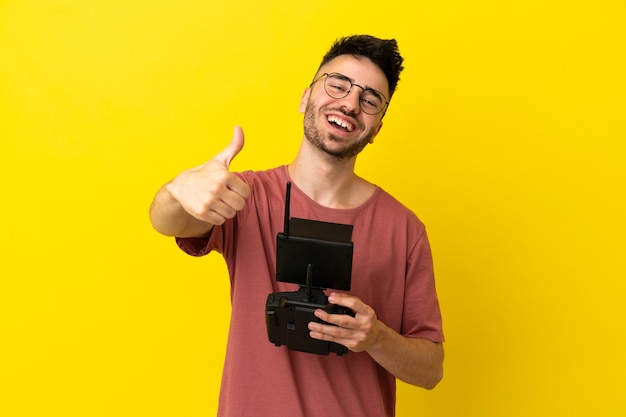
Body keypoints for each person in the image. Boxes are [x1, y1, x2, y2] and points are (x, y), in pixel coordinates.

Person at [150, 34, 444, 417]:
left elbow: (430, 370)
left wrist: (376, 337)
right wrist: (177, 191)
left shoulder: (405, 230)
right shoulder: (245, 196)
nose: (350, 103)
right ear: (306, 96)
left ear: (377, 130)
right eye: (338, 84)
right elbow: (167, 222)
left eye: (369, 99)